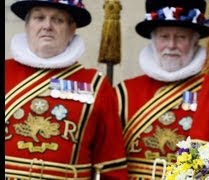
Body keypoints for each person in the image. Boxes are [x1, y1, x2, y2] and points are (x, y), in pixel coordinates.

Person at [5, 0, 128, 179]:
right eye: (39, 18)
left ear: (72, 30)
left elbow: (111, 166)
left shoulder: (96, 86)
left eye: (58, 20)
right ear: (27, 26)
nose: (47, 26)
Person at [113, 0, 209, 178]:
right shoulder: (125, 91)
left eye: (181, 37)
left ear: (195, 41)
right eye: (164, 37)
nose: (171, 45)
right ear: (153, 40)